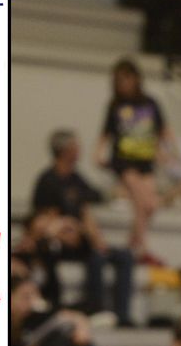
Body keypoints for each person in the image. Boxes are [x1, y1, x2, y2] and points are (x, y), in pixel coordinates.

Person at [30, 129, 134, 323]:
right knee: (96, 259)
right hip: (61, 243)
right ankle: (96, 309)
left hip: (81, 240)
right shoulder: (47, 181)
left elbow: (91, 202)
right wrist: (65, 230)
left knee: (124, 256)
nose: (80, 150)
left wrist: (97, 240)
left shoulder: (76, 179)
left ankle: (123, 315)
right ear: (65, 150)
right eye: (75, 146)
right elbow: (43, 220)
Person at [96, 58, 177, 260]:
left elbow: (162, 130)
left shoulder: (150, 104)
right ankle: (142, 248)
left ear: (136, 79)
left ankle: (131, 244)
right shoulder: (116, 105)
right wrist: (98, 153)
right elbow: (106, 133)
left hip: (145, 161)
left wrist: (169, 151)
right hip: (124, 160)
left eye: (126, 79)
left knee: (150, 205)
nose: (123, 85)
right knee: (140, 201)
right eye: (119, 81)